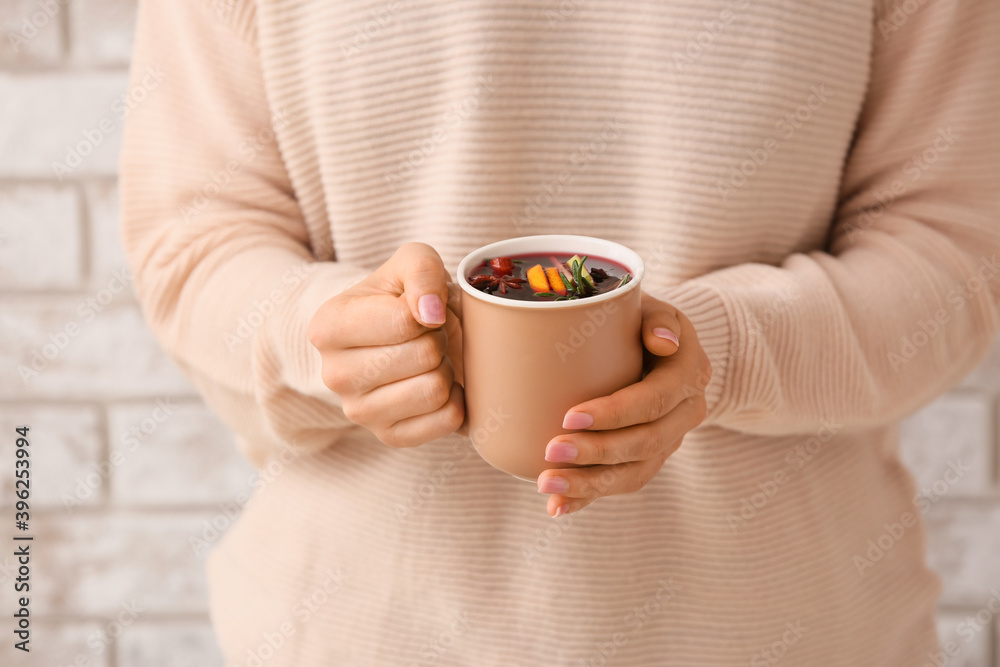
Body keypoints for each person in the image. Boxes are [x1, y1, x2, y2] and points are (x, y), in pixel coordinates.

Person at [119, 0, 1000, 664]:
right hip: (356, 633)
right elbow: (195, 244)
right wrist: (323, 338)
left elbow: (952, 256)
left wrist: (723, 351)